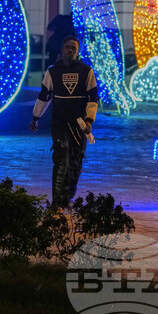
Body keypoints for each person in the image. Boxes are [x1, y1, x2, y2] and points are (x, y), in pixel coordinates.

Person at [30, 35, 99, 209]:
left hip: (79, 123)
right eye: (68, 47)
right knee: (61, 159)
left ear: (78, 50)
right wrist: (36, 117)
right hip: (59, 122)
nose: (71, 50)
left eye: (74, 48)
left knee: (76, 161)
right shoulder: (53, 72)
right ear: (62, 49)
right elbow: (44, 96)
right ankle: (57, 200)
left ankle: (67, 197)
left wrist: (89, 119)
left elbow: (93, 98)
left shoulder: (86, 71)